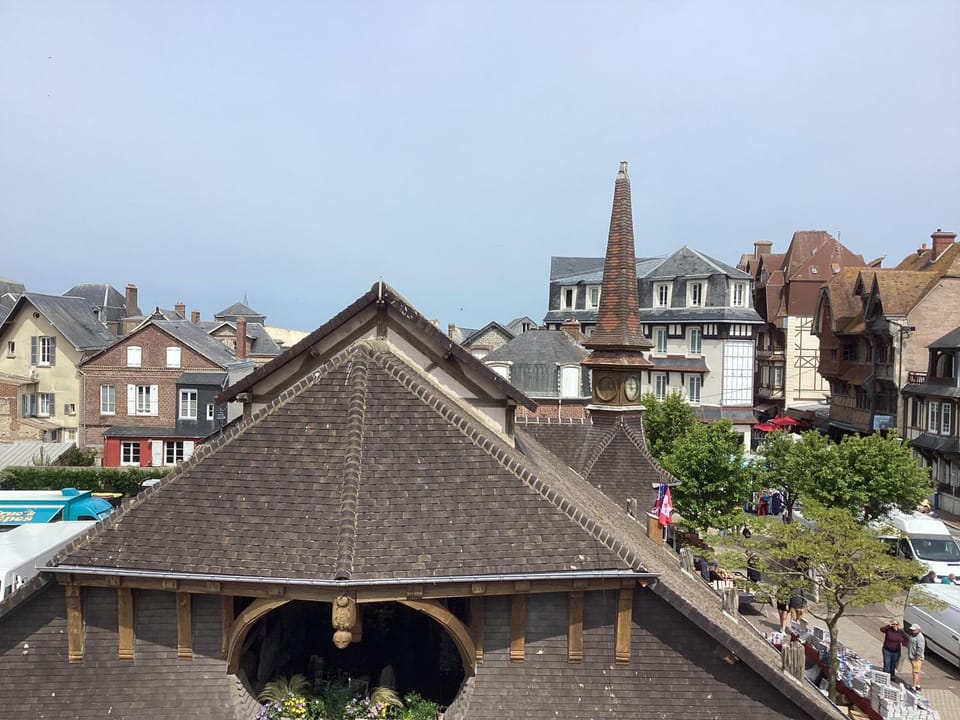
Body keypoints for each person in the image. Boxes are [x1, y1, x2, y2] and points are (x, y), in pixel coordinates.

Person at [906, 623, 925, 691]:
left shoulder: (920, 637)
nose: (912, 631)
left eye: (914, 630)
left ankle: (913, 687)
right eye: (912, 629)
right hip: (912, 657)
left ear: (918, 630)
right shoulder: (913, 635)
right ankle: (917, 685)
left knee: (915, 672)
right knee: (917, 672)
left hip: (916, 658)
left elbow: (920, 648)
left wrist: (917, 656)